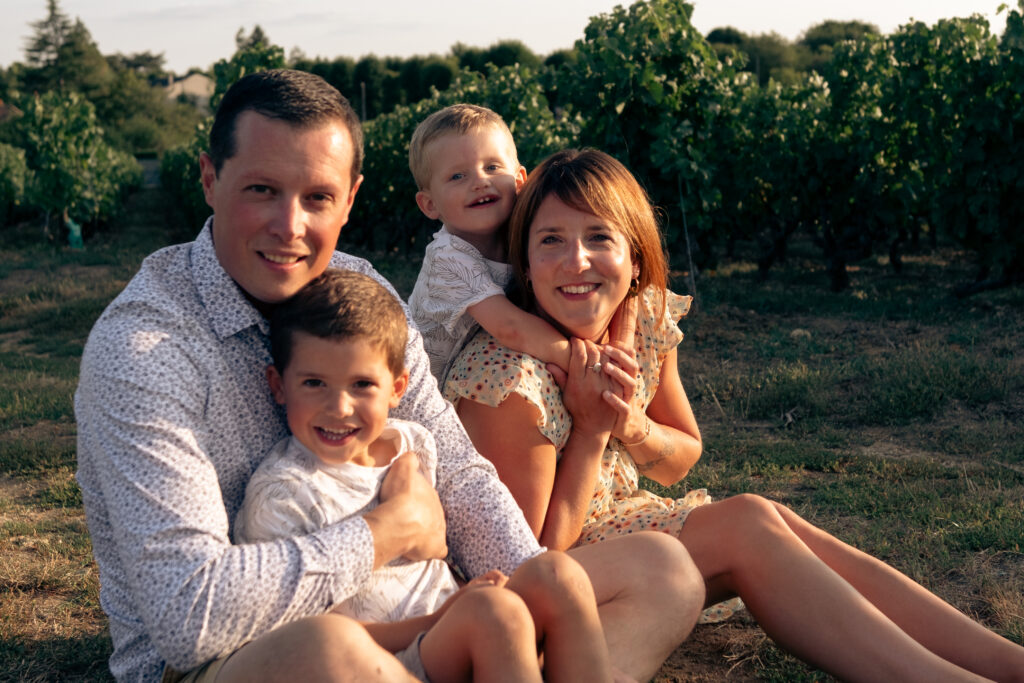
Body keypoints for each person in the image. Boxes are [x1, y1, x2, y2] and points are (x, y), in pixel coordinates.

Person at [74, 70, 704, 683]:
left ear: (350, 199)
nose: (289, 226)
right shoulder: (145, 349)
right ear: (211, 179)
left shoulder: (363, 291)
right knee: (329, 652)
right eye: (262, 190)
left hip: (415, 611)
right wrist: (386, 531)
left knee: (662, 572)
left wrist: (525, 597)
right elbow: (190, 618)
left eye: (317, 197)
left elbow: (456, 472)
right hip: (241, 657)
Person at [446, 148, 1024, 683]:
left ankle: (1008, 663)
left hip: (625, 528)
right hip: (556, 577)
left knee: (762, 515)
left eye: (599, 236)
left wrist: (630, 424)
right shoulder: (506, 379)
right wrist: (593, 433)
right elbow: (534, 566)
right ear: (523, 261)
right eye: (551, 240)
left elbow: (680, 459)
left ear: (635, 254)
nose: (577, 261)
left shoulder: (639, 317)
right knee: (746, 525)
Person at [234, 268, 616, 682]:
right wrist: (441, 618)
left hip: (453, 630)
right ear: (278, 386)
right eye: (313, 383)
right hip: (386, 660)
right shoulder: (283, 495)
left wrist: (462, 602)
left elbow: (436, 551)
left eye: (362, 384)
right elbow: (303, 645)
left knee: (559, 574)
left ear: (398, 388)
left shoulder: (408, 444)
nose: (340, 407)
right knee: (495, 615)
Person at [407, 104, 572, 383]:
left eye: (492, 167)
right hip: (425, 396)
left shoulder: (523, 235)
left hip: (475, 375)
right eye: (458, 176)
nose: (480, 182)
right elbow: (512, 328)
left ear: (519, 180)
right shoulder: (447, 259)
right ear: (430, 204)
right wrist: (585, 361)